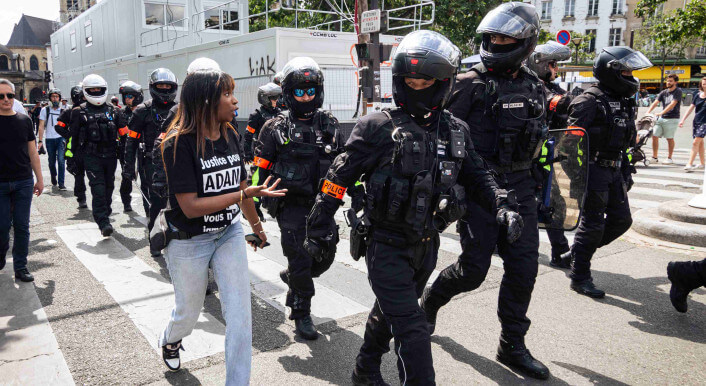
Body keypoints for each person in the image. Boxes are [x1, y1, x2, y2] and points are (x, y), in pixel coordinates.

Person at [305, 30, 521, 385]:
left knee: (389, 315)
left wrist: (502, 206)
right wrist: (318, 231)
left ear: (444, 82)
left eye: (425, 80)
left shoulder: (455, 129)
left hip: (427, 246)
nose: (416, 85)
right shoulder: (376, 127)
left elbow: (479, 174)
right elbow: (336, 178)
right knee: (413, 330)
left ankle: (364, 369)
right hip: (385, 246)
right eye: (410, 79)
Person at [418, 3, 551, 380]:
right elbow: (436, 133)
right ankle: (431, 301)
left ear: (525, 42)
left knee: (524, 269)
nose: (496, 43)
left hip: (522, 188)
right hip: (479, 189)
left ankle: (512, 344)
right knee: (474, 270)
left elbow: (544, 140)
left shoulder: (534, 86)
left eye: (504, 38)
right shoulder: (467, 84)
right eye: (492, 37)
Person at [158, 69, 286, 383]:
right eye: (227, 94)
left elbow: (242, 186)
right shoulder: (177, 144)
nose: (234, 101)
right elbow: (190, 206)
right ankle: (172, 339)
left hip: (227, 234)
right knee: (188, 311)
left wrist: (256, 225)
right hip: (189, 240)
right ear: (206, 101)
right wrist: (241, 194)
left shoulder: (230, 133)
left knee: (241, 319)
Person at [253, 57, 343, 341]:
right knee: (301, 257)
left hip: (324, 204)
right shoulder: (273, 127)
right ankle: (301, 312)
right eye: (300, 92)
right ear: (289, 94)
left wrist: (361, 194)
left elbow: (345, 166)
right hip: (289, 205)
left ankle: (294, 275)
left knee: (324, 258)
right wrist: (254, 200)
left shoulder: (329, 124)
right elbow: (260, 168)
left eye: (310, 91)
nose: (306, 97)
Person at [561, 47, 651, 298]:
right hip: (593, 170)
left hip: (614, 169)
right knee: (592, 226)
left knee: (622, 221)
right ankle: (580, 276)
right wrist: (577, 177)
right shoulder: (589, 100)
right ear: (611, 71)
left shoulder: (623, 100)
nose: (630, 75)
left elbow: (625, 138)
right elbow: (568, 143)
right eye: (626, 71)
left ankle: (578, 253)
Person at [526, 40, 574, 267]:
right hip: (531, 158)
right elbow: (555, 104)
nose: (556, 69)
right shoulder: (532, 87)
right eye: (553, 64)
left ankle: (560, 251)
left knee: (555, 204)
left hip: (550, 157)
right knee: (532, 204)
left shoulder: (554, 88)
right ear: (540, 64)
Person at [124, 69, 178, 256]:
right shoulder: (142, 111)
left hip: (177, 163)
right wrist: (128, 167)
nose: (164, 89)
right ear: (153, 87)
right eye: (160, 86)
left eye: (167, 86)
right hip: (151, 163)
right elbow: (131, 141)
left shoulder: (180, 110)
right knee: (156, 202)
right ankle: (155, 240)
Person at [70, 74, 129, 236]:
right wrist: (71, 159)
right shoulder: (78, 112)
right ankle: (103, 222)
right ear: (86, 91)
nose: (96, 92)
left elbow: (125, 136)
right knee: (99, 189)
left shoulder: (114, 111)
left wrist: (127, 159)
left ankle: (105, 213)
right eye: (92, 89)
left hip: (110, 157)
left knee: (109, 188)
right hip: (91, 157)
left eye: (98, 89)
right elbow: (72, 139)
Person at [0, 78, 43, 282]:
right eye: (1, 96)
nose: (6, 99)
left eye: (10, 95)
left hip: (23, 181)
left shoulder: (24, 120)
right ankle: (1, 255)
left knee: (22, 226)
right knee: (1, 226)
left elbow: (33, 152)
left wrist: (40, 179)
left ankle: (21, 267)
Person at [245, 82, 282, 222]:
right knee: (256, 180)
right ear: (265, 98)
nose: (276, 101)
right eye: (273, 98)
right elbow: (248, 135)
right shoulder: (257, 115)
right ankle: (253, 208)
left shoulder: (280, 114)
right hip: (260, 154)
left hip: (276, 154)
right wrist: (247, 152)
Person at [55, 84, 88, 208]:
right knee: (79, 174)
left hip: (91, 147)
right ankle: (81, 198)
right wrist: (70, 135)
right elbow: (58, 126)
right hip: (76, 147)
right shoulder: (69, 111)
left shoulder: (90, 109)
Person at [117, 81, 144, 212]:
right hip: (127, 150)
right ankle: (126, 201)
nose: (127, 99)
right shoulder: (121, 113)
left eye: (130, 96)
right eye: (125, 96)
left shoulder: (145, 111)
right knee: (127, 176)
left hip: (144, 149)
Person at [647, 74, 683, 164]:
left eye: (670, 81)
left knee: (669, 138)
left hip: (672, 118)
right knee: (654, 135)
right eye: (667, 81)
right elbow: (655, 102)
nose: (668, 82)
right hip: (661, 118)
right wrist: (648, 112)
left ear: (675, 82)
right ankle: (654, 157)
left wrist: (661, 113)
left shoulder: (678, 91)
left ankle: (669, 158)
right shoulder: (663, 92)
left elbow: (672, 104)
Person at [38, 88, 67, 190]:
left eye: (57, 97)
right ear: (50, 98)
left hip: (61, 138)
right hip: (49, 138)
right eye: (53, 97)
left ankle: (61, 183)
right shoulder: (45, 110)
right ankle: (53, 176)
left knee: (61, 160)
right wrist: (40, 141)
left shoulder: (64, 111)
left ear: (59, 98)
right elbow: (41, 125)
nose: (55, 99)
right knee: (51, 161)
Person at [680, 76, 706, 171]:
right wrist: (683, 119)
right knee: (700, 143)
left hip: (705, 123)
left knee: (696, 142)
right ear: (701, 85)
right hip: (697, 121)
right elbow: (691, 108)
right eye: (703, 84)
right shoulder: (697, 95)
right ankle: (703, 163)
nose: (705, 85)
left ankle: (689, 163)